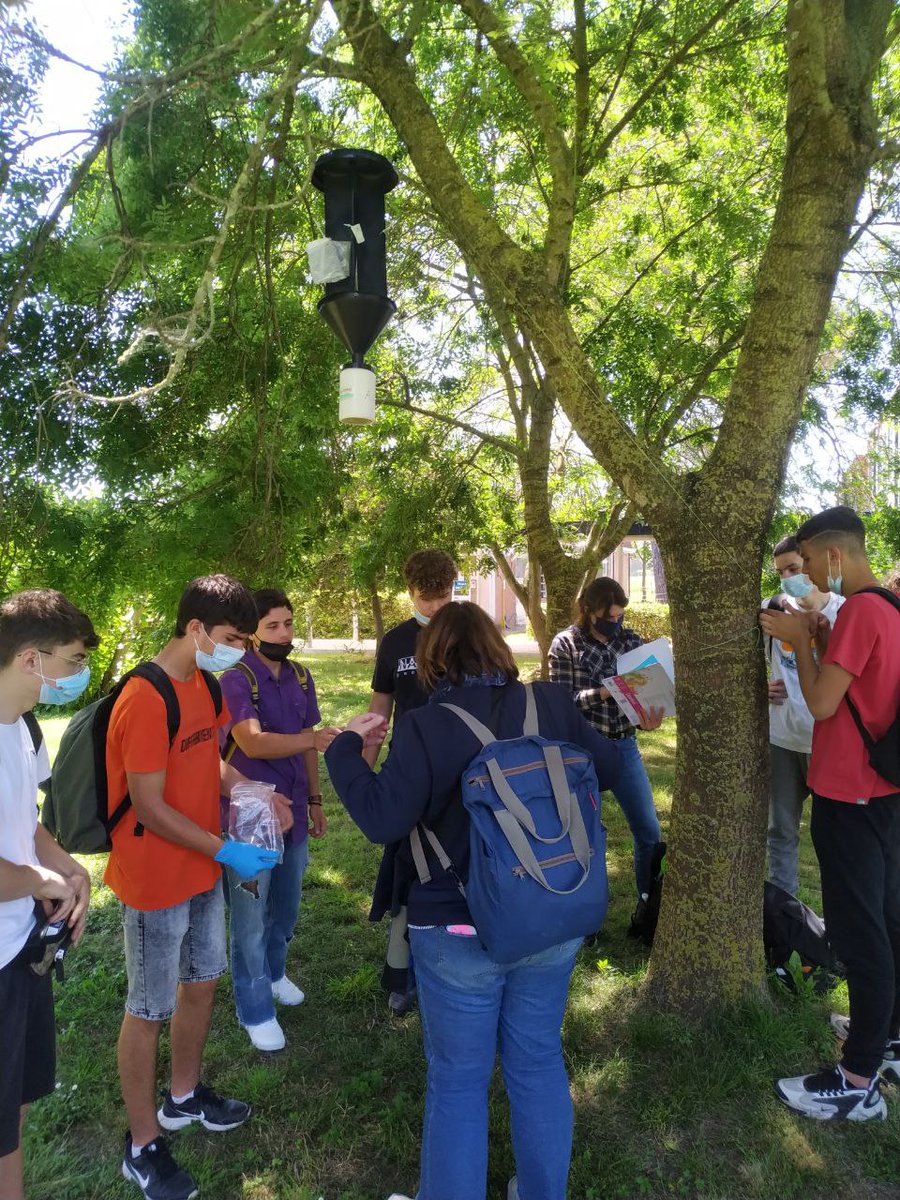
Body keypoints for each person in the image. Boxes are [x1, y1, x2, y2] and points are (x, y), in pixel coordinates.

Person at [325, 601, 623, 1200]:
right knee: (537, 1063)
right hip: (551, 913)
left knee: (459, 1083)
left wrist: (342, 751)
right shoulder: (554, 705)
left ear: (433, 661)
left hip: (457, 930)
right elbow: (610, 768)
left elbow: (383, 818)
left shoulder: (426, 727)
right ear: (498, 648)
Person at [106, 575, 292, 1200]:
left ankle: (183, 1097)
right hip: (155, 879)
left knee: (202, 985)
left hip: (202, 872)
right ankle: (141, 1145)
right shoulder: (144, 697)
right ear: (195, 630)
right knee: (148, 1009)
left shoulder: (205, 685)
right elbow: (150, 806)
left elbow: (208, 762)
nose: (239, 650)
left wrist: (256, 792)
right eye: (232, 638)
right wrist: (227, 849)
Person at [759, 507, 900, 1121]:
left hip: (850, 797)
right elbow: (862, 688)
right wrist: (817, 639)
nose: (807, 574)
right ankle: (889, 1039)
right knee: (889, 919)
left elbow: (820, 702)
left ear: (835, 556)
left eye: (811, 562)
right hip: (886, 792)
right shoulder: (891, 610)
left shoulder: (864, 610)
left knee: (860, 932)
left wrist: (796, 642)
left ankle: (857, 1077)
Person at [0, 589, 98, 1200]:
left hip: (21, 948)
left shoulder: (25, 725)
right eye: (73, 660)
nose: (79, 673)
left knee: (15, 1103)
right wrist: (42, 881)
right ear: (32, 659)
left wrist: (72, 869)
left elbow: (28, 822)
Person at [219, 588, 340, 1051]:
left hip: (293, 806)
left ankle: (274, 972)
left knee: (286, 907)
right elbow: (251, 743)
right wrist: (312, 739)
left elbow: (307, 744)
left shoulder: (301, 677)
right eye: (273, 626)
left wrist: (314, 798)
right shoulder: (235, 679)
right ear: (251, 632)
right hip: (250, 811)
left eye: (288, 624)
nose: (284, 633)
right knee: (250, 915)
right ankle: (254, 1008)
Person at [366, 550, 456, 1014]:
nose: (436, 608)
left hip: (464, 772)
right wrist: (366, 768)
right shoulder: (396, 641)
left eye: (444, 598)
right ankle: (402, 971)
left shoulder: (470, 632)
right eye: (428, 599)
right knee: (406, 865)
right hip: (408, 772)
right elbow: (379, 711)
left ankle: (460, 959)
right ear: (411, 595)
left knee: (460, 862)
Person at [549, 577, 663, 904]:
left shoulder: (631, 640)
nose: (615, 623)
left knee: (649, 832)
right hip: (582, 750)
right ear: (588, 611)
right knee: (583, 836)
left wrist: (648, 720)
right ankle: (586, 914)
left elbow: (645, 693)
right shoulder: (566, 643)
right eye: (607, 617)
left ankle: (647, 906)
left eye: (619, 616)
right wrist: (602, 692)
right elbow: (562, 701)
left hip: (624, 745)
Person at [763, 535, 844, 895]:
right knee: (780, 830)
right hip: (781, 739)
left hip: (828, 741)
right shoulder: (773, 609)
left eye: (795, 568)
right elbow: (748, 665)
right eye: (781, 572)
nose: (789, 578)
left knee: (834, 837)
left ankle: (837, 922)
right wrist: (759, 689)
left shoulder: (844, 611)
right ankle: (786, 916)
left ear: (811, 564)